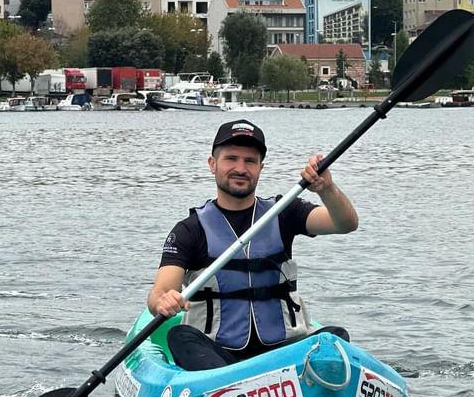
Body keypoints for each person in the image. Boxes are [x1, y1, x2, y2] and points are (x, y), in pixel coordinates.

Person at [147, 119, 358, 371]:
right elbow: (159, 292)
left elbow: (345, 223)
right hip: (220, 357)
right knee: (180, 336)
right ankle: (228, 386)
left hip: (284, 350)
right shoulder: (189, 230)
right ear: (212, 164)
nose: (240, 168)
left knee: (335, 337)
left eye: (250, 161)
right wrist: (163, 301)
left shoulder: (284, 212)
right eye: (231, 159)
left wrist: (327, 188)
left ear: (260, 168)